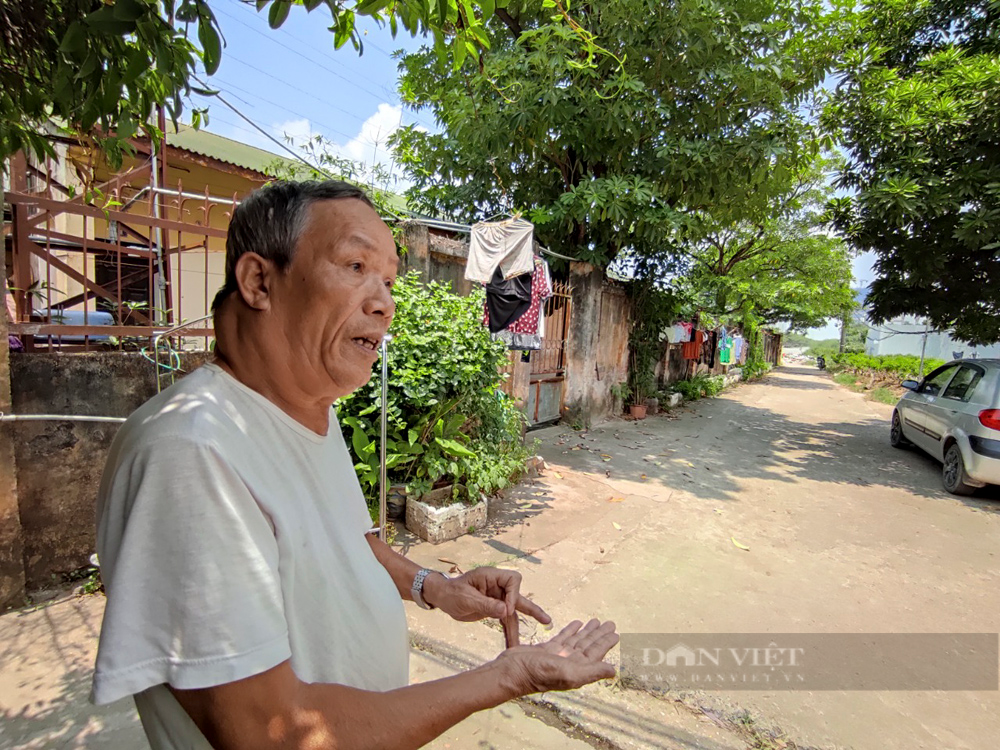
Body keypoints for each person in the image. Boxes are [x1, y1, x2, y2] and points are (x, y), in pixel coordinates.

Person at [90, 180, 618, 750]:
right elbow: (272, 735)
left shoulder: (309, 410)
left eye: (388, 280)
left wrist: (435, 587)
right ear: (259, 281)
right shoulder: (192, 452)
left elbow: (351, 543)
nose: (385, 302)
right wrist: (509, 674)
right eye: (355, 265)